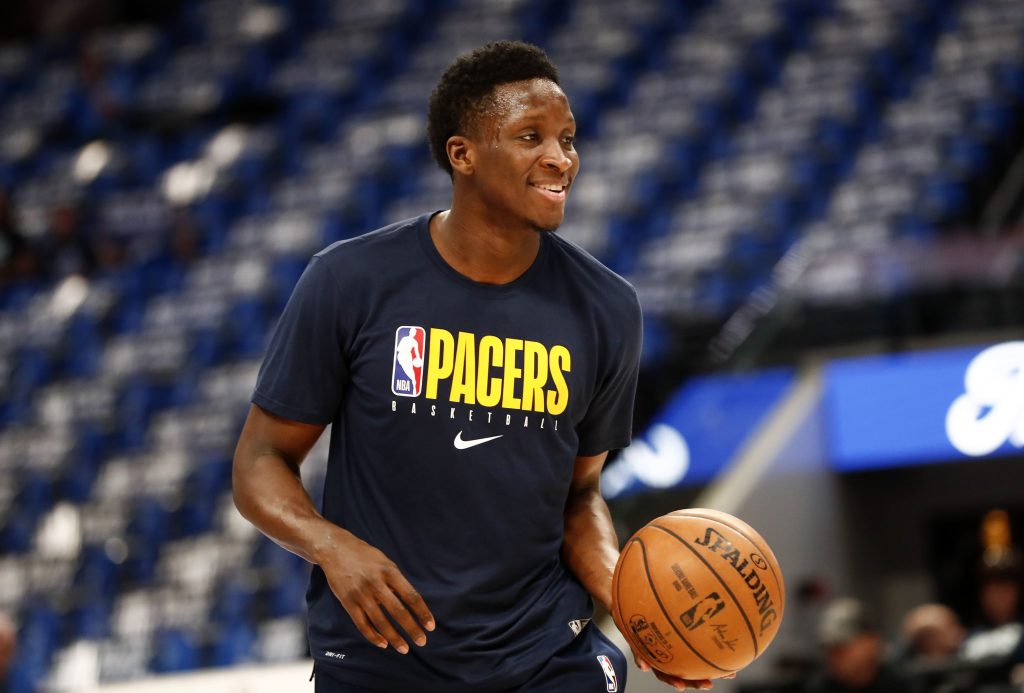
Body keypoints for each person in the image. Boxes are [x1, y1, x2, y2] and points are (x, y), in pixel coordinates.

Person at [233, 41, 716, 691]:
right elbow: (261, 461)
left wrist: (636, 608)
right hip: (383, 656)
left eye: (567, 138)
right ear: (462, 155)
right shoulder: (351, 280)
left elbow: (578, 497)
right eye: (530, 136)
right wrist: (331, 545)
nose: (560, 158)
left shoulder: (606, 307)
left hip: (543, 655)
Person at [803, 598, 905, 693]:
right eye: (828, 648)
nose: (833, 655)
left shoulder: (902, 685)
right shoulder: (817, 687)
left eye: (842, 646)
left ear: (871, 642)